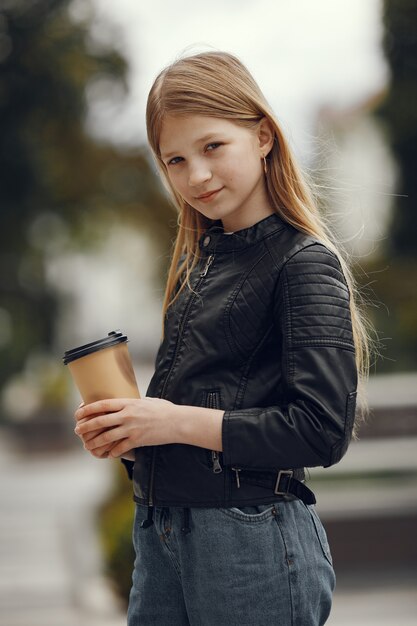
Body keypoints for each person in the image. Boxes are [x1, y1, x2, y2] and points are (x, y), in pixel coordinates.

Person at [74, 50, 371, 625]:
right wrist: (130, 435)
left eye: (213, 147)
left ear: (262, 136)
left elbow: (320, 430)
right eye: (176, 160)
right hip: (163, 532)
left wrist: (171, 421)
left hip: (250, 543)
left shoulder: (302, 262)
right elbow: (206, 413)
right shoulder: (196, 269)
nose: (197, 176)